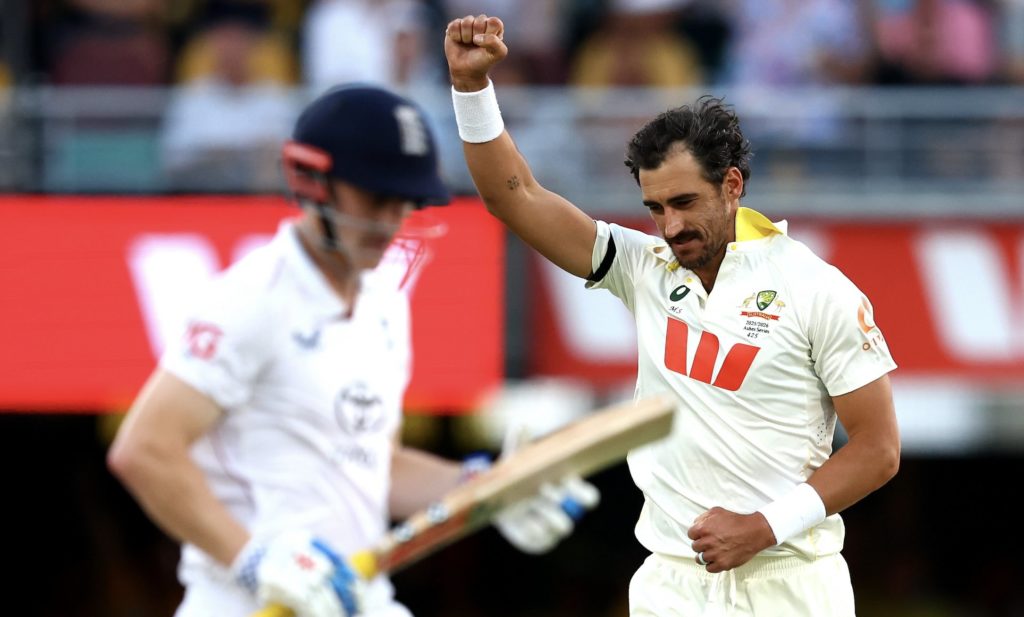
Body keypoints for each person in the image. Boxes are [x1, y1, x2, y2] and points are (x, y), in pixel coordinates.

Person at [444, 14, 900, 616]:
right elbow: (513, 196)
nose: (671, 226)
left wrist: (762, 526)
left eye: (685, 202)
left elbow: (879, 449)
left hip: (791, 580)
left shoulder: (817, 288)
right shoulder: (645, 268)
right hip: (670, 584)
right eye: (655, 208)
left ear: (732, 185)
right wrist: (471, 87)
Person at [108, 83, 598, 617]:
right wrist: (252, 559)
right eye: (375, 197)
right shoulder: (251, 299)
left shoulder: (386, 304)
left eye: (404, 202)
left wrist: (486, 488)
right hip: (243, 604)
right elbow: (144, 450)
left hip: (354, 598)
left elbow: (372, 466)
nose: (390, 223)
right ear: (311, 180)